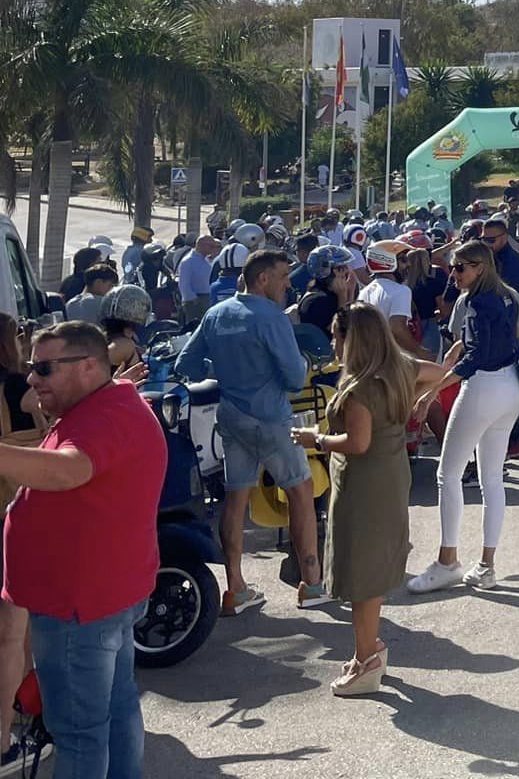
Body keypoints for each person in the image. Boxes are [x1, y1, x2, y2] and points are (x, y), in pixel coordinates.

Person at [0, 321, 168, 779]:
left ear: (89, 366)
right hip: (101, 596)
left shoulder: (105, 417)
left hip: (79, 605)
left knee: (78, 734)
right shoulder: (103, 405)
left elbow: (68, 471)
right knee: (113, 713)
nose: (32, 378)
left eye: (44, 368)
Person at [294, 305, 439, 697]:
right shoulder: (397, 370)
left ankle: (366, 660)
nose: (331, 343)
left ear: (351, 338)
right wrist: (416, 400)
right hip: (390, 478)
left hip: (364, 485)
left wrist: (316, 440)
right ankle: (369, 650)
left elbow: (357, 443)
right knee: (371, 571)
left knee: (362, 577)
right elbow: (440, 372)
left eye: (336, 335)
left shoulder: (359, 388)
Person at [177, 247, 327, 612]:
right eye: (283, 278)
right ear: (262, 279)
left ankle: (236, 590)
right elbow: (294, 379)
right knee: (301, 492)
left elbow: (188, 364)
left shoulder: (215, 313)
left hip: (232, 418)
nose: (288, 286)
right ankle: (312, 584)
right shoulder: (272, 317)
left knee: (235, 498)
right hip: (272, 420)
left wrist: (227, 369)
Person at [409, 241, 519, 594]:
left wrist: (431, 391)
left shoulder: (475, 301)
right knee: (492, 478)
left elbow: (473, 356)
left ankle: (448, 561)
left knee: (449, 474)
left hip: (484, 388)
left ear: (479, 268)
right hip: (509, 387)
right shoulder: (507, 295)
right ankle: (486, 565)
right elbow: (501, 340)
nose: (453, 273)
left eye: (460, 267)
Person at [177, 234, 220, 307]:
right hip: (196, 300)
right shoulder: (188, 261)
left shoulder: (206, 260)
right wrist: (192, 299)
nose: (214, 249)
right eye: (211, 246)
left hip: (207, 298)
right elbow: (184, 284)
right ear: (202, 245)